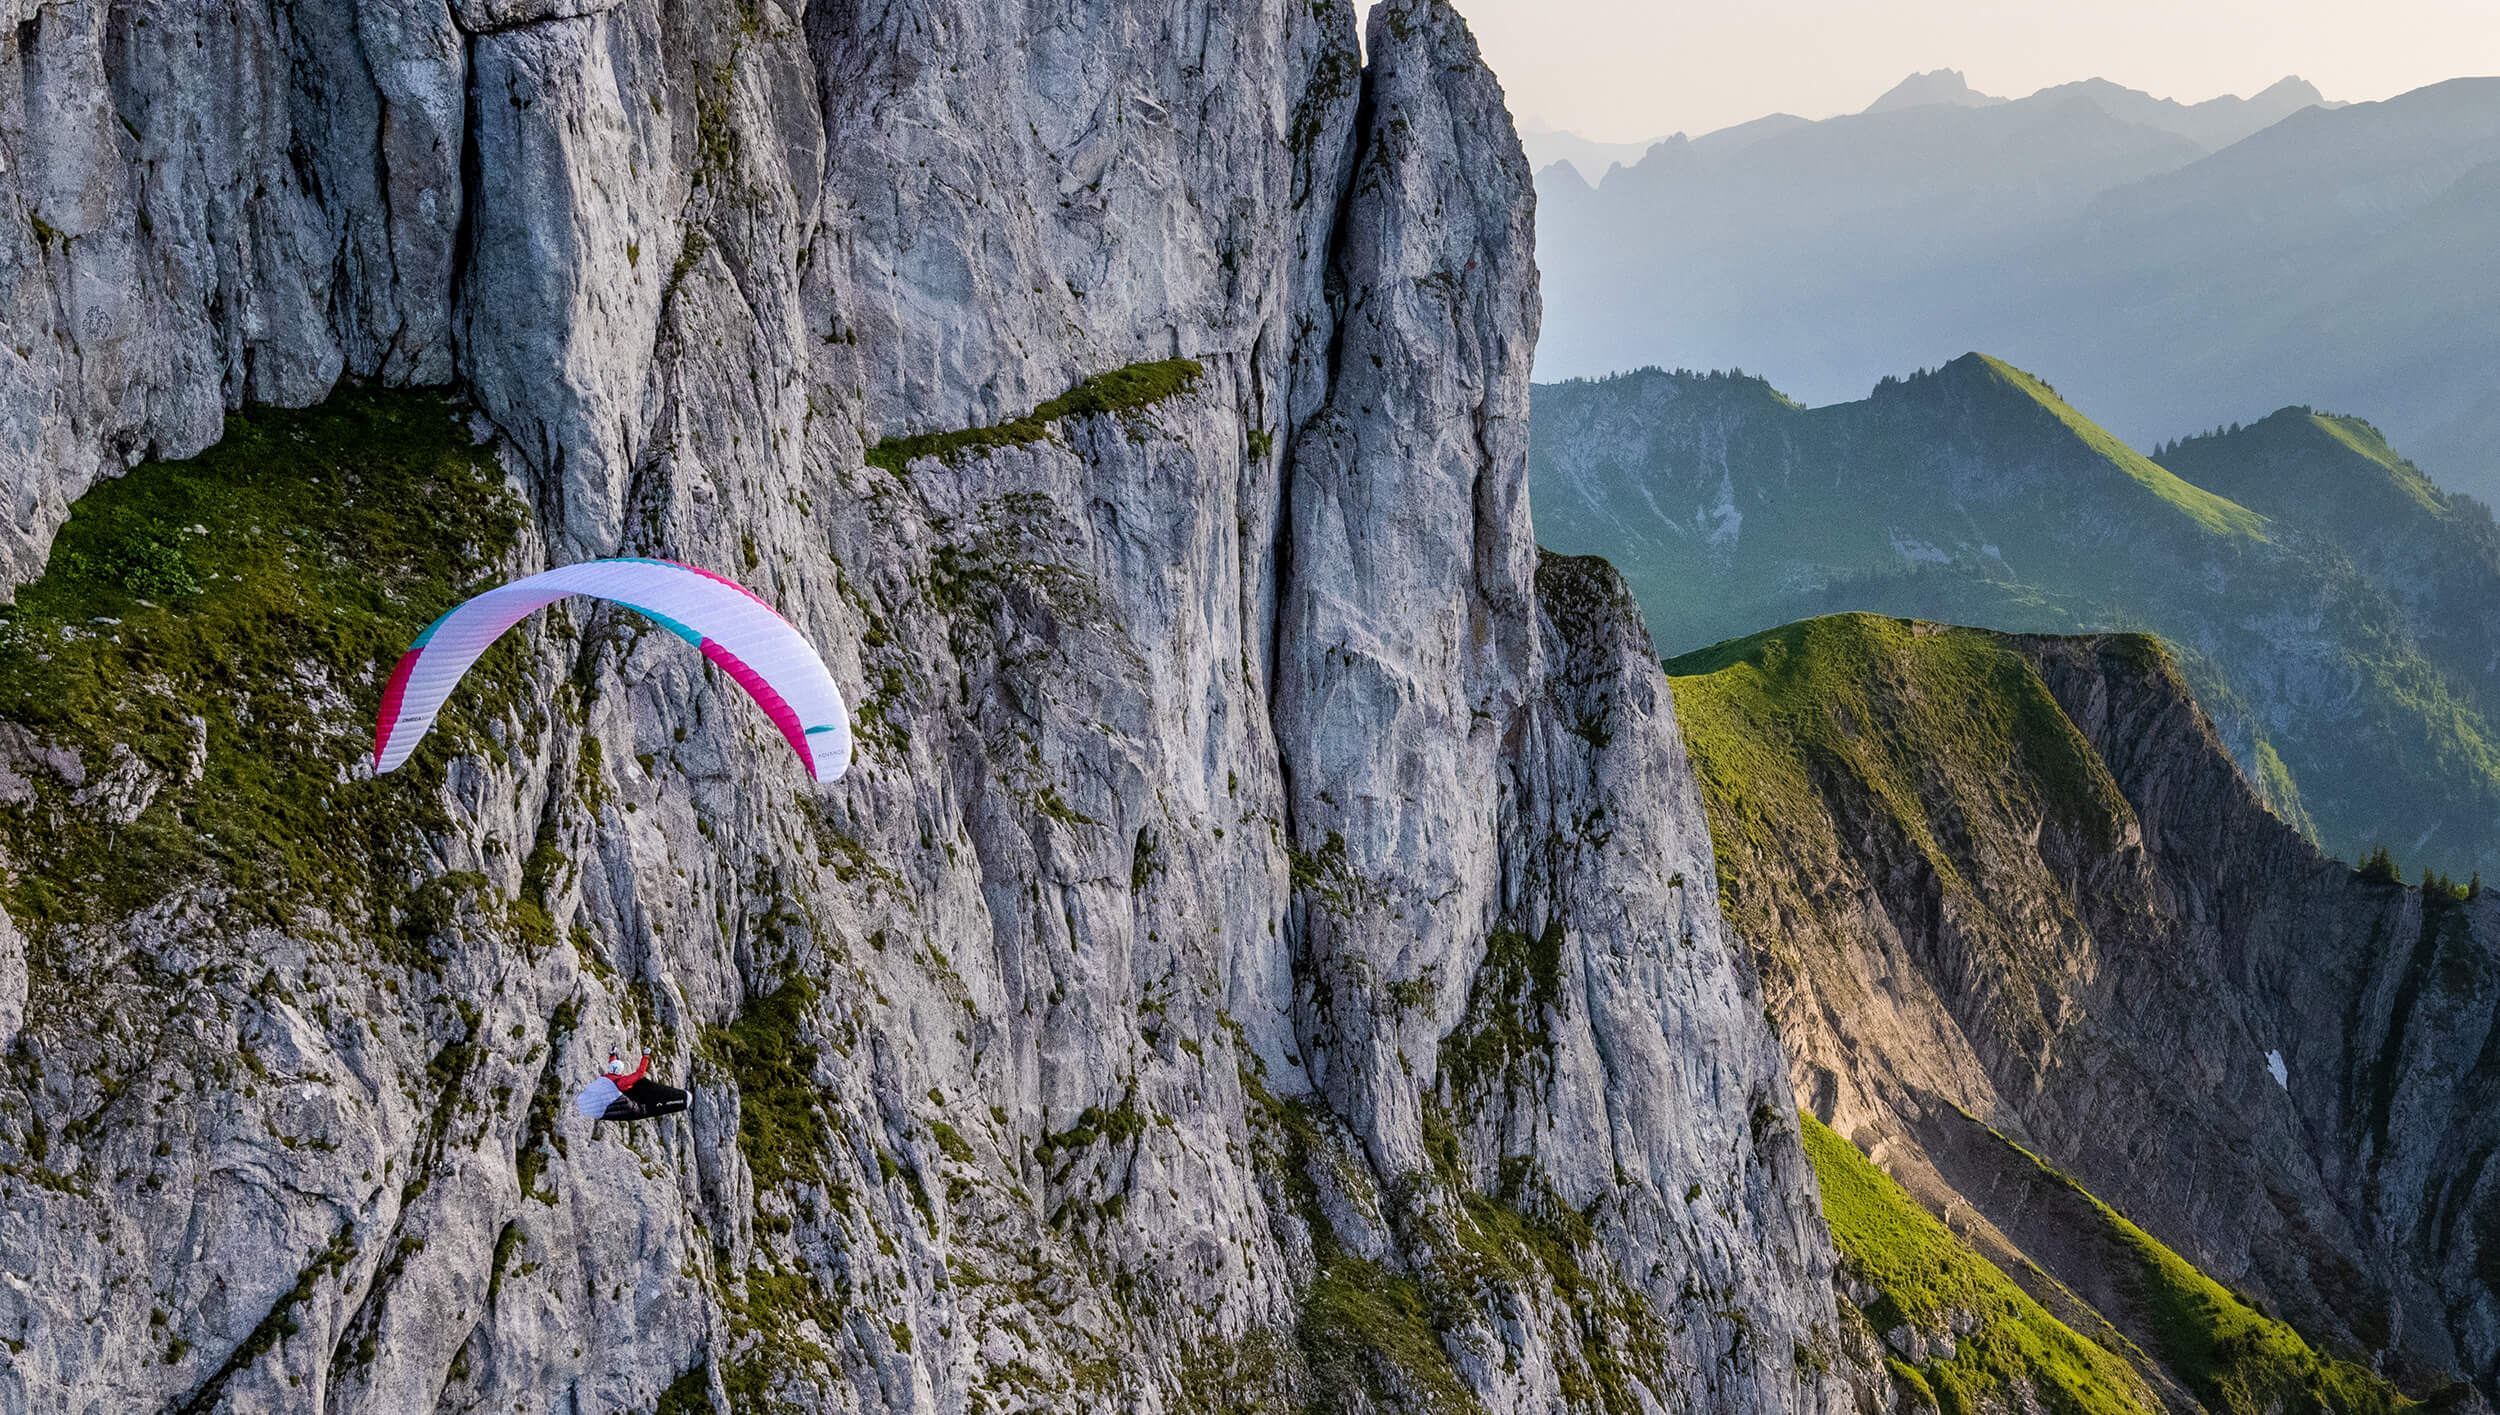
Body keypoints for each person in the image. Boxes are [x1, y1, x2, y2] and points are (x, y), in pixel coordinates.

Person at [574, 1049, 690, 1123]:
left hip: (609, 1109)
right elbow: (639, 1074)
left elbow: (613, 1067)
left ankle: (678, 1100)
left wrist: (612, 1055)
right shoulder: (621, 1082)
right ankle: (679, 1101)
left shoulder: (607, 1078)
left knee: (638, 1089)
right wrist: (645, 1056)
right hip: (628, 1109)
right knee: (648, 1105)